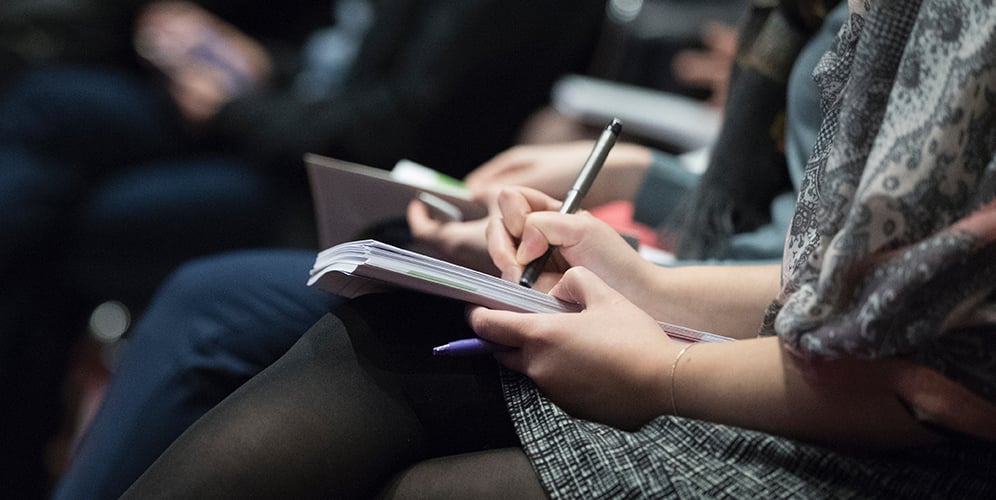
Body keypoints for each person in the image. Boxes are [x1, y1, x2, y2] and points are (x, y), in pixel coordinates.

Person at [0, 0, 604, 497]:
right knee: (43, 107)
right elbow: (338, 67)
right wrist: (237, 61)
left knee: (59, 225)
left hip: (354, 198)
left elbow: (394, 125)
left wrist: (243, 104)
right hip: (284, 129)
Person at [113, 0, 996, 497]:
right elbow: (833, 274)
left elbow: (932, 373)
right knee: (376, 331)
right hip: (773, 329)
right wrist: (642, 277)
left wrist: (662, 365)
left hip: (882, 436)